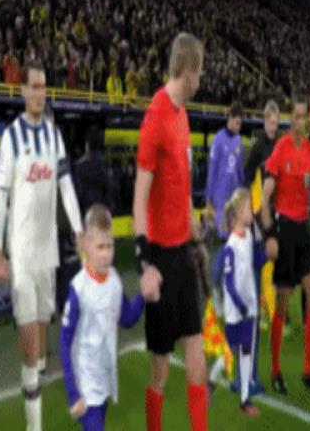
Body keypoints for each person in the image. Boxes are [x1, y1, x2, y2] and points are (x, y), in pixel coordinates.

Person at [0, 60, 83, 431]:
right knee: (31, 347)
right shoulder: (12, 138)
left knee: (39, 351)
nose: (39, 93)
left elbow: (66, 186)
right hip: (22, 255)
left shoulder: (53, 136)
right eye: (34, 86)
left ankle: (30, 375)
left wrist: (79, 230)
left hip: (48, 254)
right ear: (22, 91)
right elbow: (0, 196)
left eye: (44, 87)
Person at [133, 32, 208, 431]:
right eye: (200, 71)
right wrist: (143, 264)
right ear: (187, 69)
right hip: (160, 260)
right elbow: (139, 198)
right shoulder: (156, 117)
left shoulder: (183, 116)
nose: (201, 79)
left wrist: (196, 236)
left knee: (197, 358)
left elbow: (181, 190)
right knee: (160, 372)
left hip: (183, 254)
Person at [60, 204, 155, 430]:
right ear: (86, 245)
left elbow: (127, 318)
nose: (106, 254)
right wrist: (73, 394)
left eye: (109, 246)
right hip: (86, 387)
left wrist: (142, 295)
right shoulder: (79, 289)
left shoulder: (114, 280)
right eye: (100, 247)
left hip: (105, 381)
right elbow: (65, 342)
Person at [261, 97, 310, 397]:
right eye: (297, 116)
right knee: (283, 304)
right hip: (284, 229)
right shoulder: (281, 149)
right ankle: (275, 370)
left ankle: (308, 371)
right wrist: (269, 234)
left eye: (305, 117)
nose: (302, 122)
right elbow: (265, 197)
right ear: (291, 119)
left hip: (303, 229)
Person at [209, 188, 269, 416]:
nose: (251, 212)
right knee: (231, 352)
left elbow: (254, 262)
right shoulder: (231, 246)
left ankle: (245, 400)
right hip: (236, 310)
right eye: (247, 208)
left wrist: (268, 255)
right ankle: (210, 383)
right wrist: (240, 305)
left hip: (250, 308)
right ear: (236, 214)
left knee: (246, 354)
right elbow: (229, 283)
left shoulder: (249, 238)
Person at [205, 101, 245, 239]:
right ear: (231, 118)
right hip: (220, 195)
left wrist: (242, 190)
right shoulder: (218, 139)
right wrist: (208, 197)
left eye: (240, 124)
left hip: (234, 195)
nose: (239, 127)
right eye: (237, 123)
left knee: (234, 235)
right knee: (223, 235)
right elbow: (212, 169)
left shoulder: (239, 141)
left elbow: (239, 169)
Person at [74, 126, 114, 216]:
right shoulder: (105, 165)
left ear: (87, 145)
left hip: (86, 213)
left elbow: (78, 194)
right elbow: (109, 190)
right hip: (102, 213)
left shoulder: (79, 166)